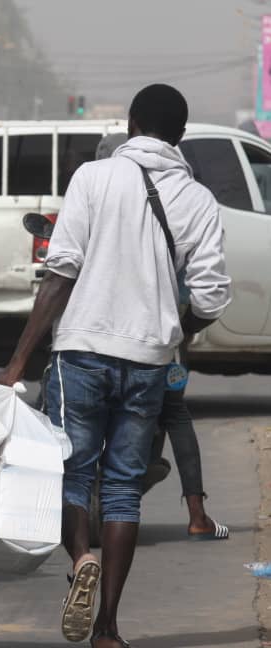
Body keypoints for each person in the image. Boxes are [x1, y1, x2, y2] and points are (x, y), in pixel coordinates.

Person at [0, 84, 231, 647]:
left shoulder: (94, 179)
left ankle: (81, 560)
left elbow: (61, 274)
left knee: (72, 474)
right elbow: (212, 296)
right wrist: (172, 329)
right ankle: (108, 627)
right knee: (123, 488)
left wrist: (17, 362)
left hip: (81, 353)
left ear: (131, 125)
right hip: (149, 361)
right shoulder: (198, 199)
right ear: (179, 135)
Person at [95, 132, 229, 543]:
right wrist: (181, 333)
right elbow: (205, 289)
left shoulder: (100, 203)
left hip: (100, 341)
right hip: (164, 345)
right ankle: (198, 515)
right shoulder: (183, 201)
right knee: (175, 415)